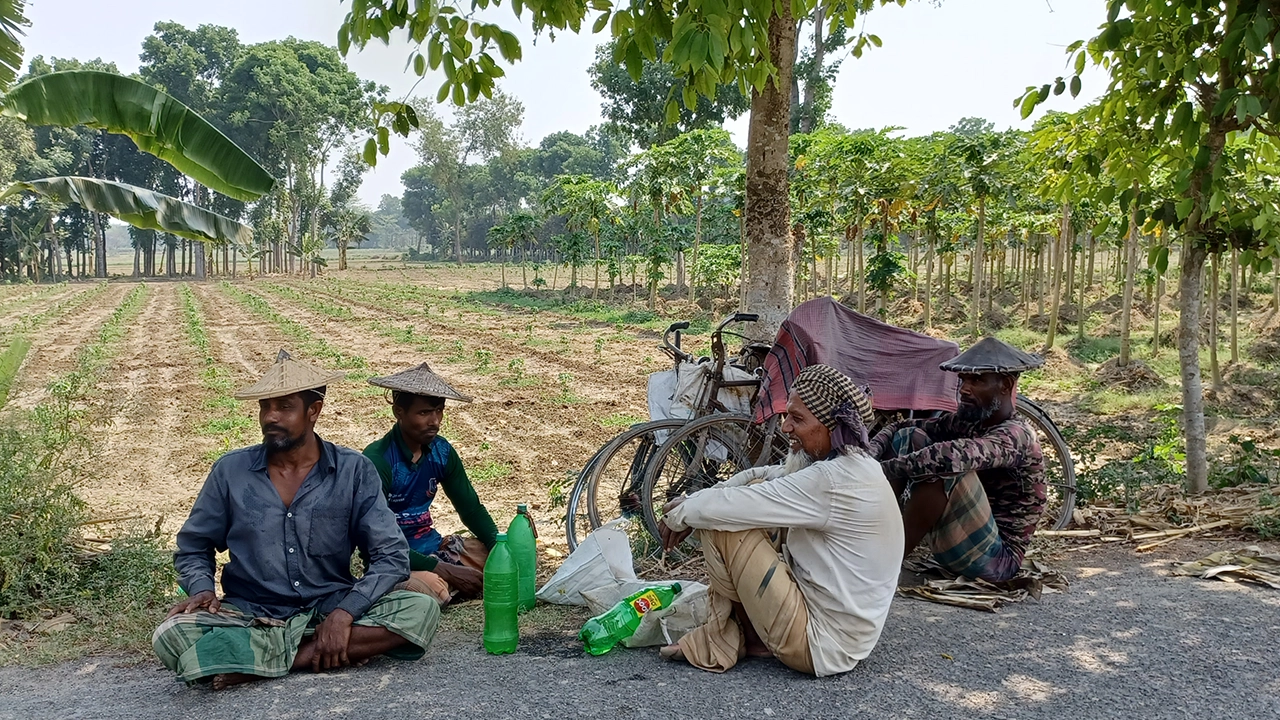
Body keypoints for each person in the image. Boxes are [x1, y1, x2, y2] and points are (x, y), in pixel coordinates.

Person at [152, 351, 439, 690]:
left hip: (330, 607)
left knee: (421, 608)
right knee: (170, 634)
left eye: (284, 407)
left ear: (313, 411)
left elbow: (390, 556)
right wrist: (201, 588)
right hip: (252, 614)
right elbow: (194, 545)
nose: (270, 417)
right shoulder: (231, 472)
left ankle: (264, 662)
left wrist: (345, 614)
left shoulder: (352, 471)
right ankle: (316, 653)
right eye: (265, 406)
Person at [655, 364, 904, 677]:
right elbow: (763, 478)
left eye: (797, 419)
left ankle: (724, 639)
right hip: (842, 642)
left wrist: (683, 514)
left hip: (817, 645)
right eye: (788, 415)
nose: (786, 428)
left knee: (722, 523)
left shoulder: (830, 480)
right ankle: (756, 634)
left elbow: (733, 506)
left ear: (832, 427)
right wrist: (696, 501)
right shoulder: (852, 465)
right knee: (739, 500)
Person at [868, 337, 1047, 583]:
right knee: (910, 437)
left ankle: (886, 563)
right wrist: (871, 452)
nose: (964, 388)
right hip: (960, 538)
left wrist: (879, 470)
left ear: (1005, 385)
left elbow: (951, 457)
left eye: (977, 380)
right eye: (963, 379)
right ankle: (869, 538)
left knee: (946, 466)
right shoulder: (968, 422)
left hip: (995, 560)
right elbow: (905, 426)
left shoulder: (1016, 434)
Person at [362, 363, 498, 606]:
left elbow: (471, 510)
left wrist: (500, 549)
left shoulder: (441, 452)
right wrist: (444, 570)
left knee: (491, 554)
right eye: (424, 413)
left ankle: (446, 584)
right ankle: (438, 584)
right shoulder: (378, 460)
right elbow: (377, 542)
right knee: (420, 588)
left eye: (439, 410)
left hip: (435, 548)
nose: (435, 421)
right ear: (398, 412)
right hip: (394, 560)